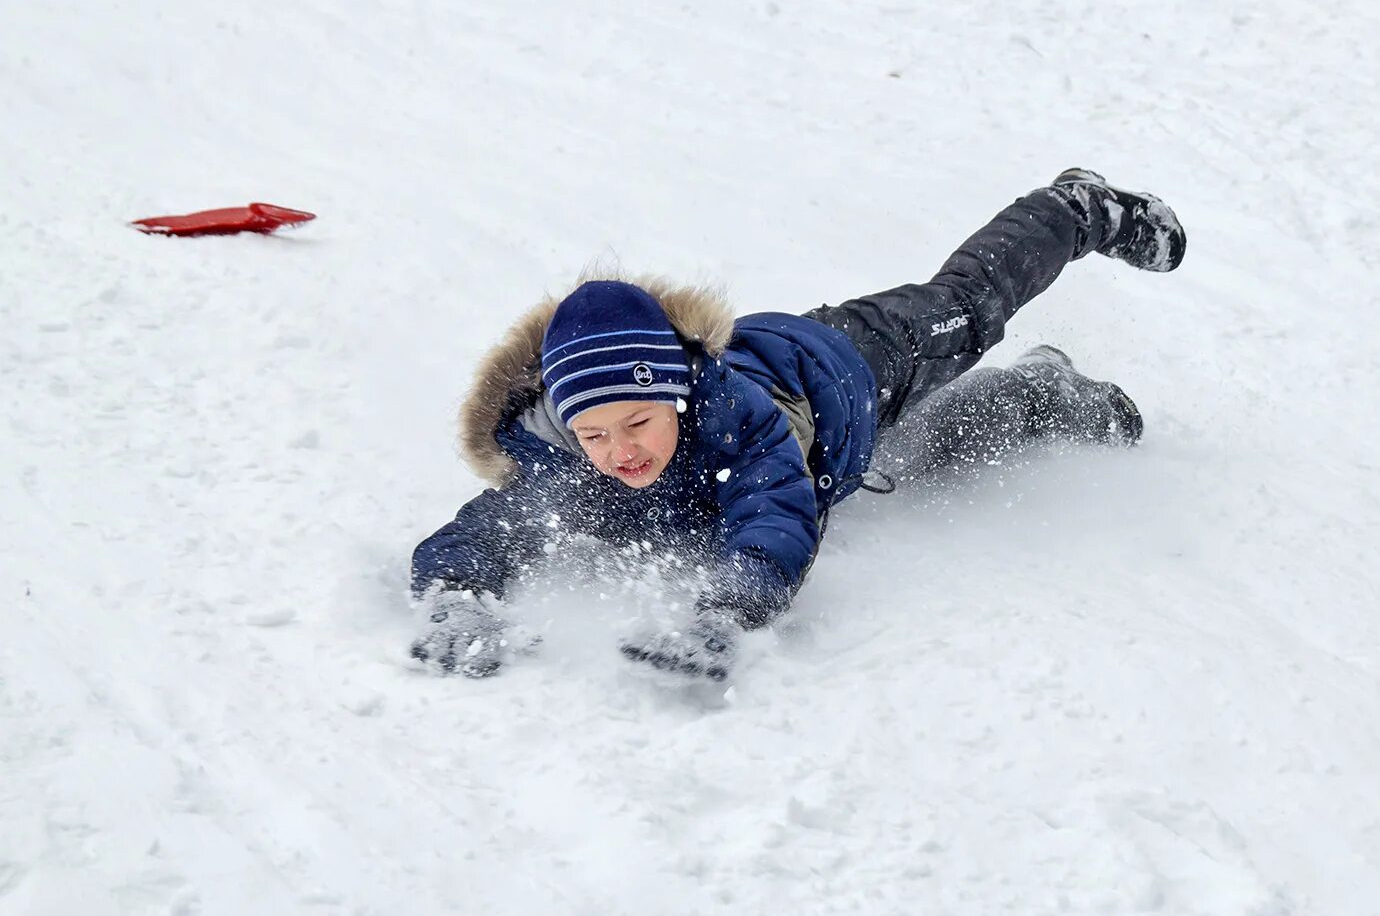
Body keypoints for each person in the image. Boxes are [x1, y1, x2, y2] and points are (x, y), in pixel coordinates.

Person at [410, 168, 1186, 681]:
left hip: (853, 363)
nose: (619, 451)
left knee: (971, 306)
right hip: (842, 459)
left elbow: (776, 511)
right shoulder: (574, 467)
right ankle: (1049, 392)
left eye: (638, 422)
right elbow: (484, 529)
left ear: (678, 395)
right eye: (595, 433)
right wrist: (456, 593)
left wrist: (728, 605)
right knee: (946, 445)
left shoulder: (733, 421)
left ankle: (1077, 208)